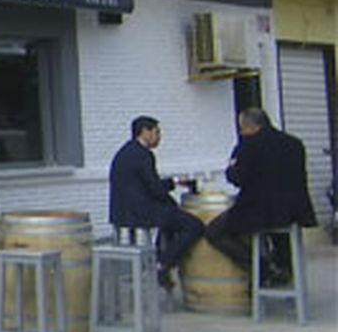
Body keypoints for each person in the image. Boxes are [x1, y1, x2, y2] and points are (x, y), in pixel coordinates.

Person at [204, 108, 317, 281]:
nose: (241, 132)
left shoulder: (249, 145)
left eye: (242, 128)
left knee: (214, 231)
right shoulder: (294, 143)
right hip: (295, 210)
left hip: (260, 211)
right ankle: (285, 269)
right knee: (279, 234)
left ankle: (262, 268)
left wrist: (231, 167)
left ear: (251, 127)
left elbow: (237, 178)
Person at [108, 115, 203, 288]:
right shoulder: (144, 155)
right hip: (139, 213)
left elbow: (143, 185)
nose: (159, 137)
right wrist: (174, 182)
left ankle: (164, 262)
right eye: (157, 132)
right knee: (194, 225)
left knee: (171, 214)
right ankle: (163, 263)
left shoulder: (125, 152)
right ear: (145, 132)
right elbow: (155, 189)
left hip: (120, 212)